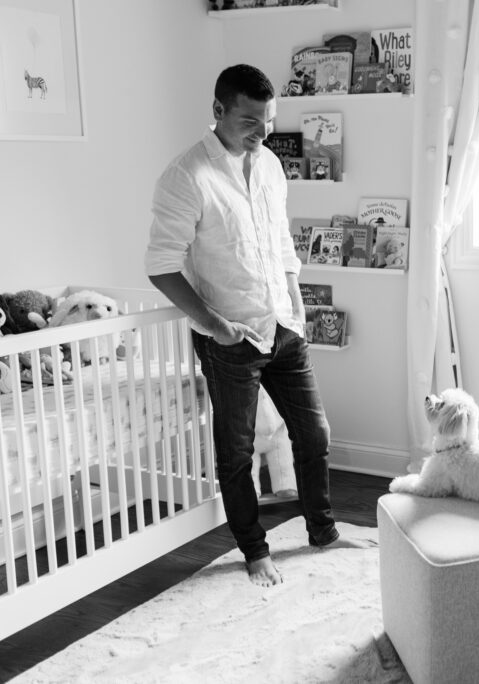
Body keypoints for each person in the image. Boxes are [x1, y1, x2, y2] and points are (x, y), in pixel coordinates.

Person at [145, 64, 340, 587]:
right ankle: (254, 550)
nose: (264, 132)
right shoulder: (187, 176)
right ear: (218, 111)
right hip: (231, 339)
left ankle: (323, 534)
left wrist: (296, 307)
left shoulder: (271, 164)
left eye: (270, 120)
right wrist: (215, 325)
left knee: (314, 434)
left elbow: (281, 243)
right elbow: (162, 265)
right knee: (236, 450)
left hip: (283, 326)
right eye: (252, 122)